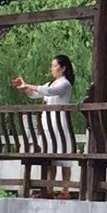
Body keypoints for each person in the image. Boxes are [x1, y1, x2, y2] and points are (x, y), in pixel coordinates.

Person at [11, 54, 75, 198]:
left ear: (63, 68)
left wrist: (29, 85)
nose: (52, 68)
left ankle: (66, 190)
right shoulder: (51, 83)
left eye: (54, 66)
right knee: (50, 157)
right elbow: (36, 94)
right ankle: (49, 189)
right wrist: (24, 87)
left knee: (63, 157)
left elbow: (50, 92)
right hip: (47, 123)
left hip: (59, 123)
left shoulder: (65, 83)